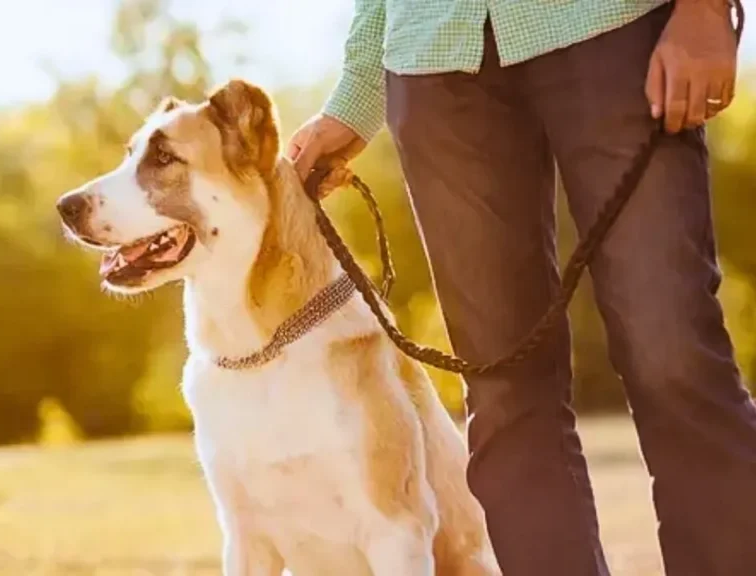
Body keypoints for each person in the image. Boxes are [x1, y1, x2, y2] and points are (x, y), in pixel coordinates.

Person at [287, 1, 756, 575]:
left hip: (609, 26)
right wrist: (359, 89)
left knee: (674, 356)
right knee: (505, 395)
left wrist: (706, 10)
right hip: (435, 54)